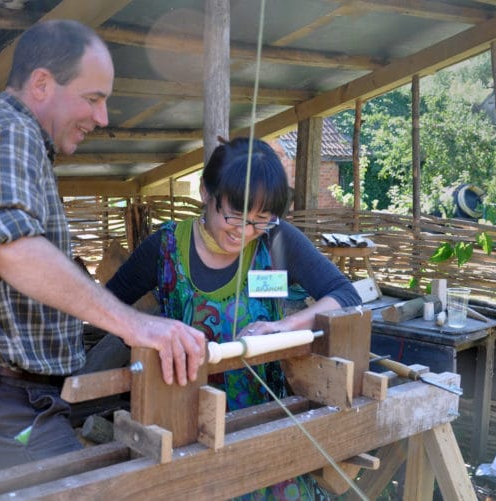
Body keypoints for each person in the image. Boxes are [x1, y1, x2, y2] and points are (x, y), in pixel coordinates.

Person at [0, 20, 205, 480]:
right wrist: (137, 324)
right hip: (1, 404)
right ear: (42, 83)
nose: (102, 118)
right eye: (93, 98)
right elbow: (8, 245)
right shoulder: (11, 134)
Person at [106, 136, 362, 499]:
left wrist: (282, 327)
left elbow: (345, 295)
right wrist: (146, 336)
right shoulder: (165, 249)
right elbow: (107, 306)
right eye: (234, 216)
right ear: (205, 193)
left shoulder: (276, 241)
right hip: (184, 432)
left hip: (265, 427)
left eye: (259, 219)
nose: (243, 232)